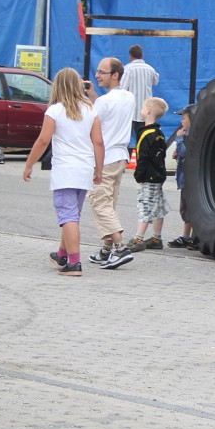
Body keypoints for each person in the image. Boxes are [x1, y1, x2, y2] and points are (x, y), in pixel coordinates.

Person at [23, 68, 104, 277]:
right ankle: (61, 254)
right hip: (84, 169)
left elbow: (43, 141)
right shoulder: (90, 110)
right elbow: (98, 142)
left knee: (67, 216)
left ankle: (74, 263)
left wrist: (29, 164)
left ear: (57, 86)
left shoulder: (55, 111)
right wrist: (99, 169)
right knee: (72, 215)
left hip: (65, 170)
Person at [83, 57, 135, 270]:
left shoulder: (105, 102)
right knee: (109, 203)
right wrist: (93, 94)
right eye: (98, 71)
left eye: (102, 72)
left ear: (115, 75)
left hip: (103, 157)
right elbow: (105, 110)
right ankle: (107, 249)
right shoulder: (129, 97)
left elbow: (91, 119)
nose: (97, 75)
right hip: (120, 156)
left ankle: (120, 246)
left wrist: (85, 98)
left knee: (100, 202)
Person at [126, 97, 171, 252]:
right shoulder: (159, 133)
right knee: (158, 205)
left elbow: (143, 157)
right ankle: (156, 237)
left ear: (149, 110)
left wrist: (139, 175)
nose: (141, 110)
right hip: (158, 175)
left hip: (148, 176)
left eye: (143, 107)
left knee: (145, 205)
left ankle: (138, 238)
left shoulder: (146, 134)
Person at [167, 106, 199, 250]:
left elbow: (187, 153)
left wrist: (179, 139)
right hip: (185, 180)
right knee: (185, 209)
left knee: (193, 209)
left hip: (192, 181)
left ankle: (196, 237)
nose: (182, 121)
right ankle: (186, 237)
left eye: (184, 118)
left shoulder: (194, 137)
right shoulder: (186, 136)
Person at [119, 44, 159, 148]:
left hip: (131, 112)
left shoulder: (128, 69)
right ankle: (142, 160)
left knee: (124, 139)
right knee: (144, 140)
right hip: (146, 112)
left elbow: (122, 87)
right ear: (142, 55)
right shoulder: (150, 69)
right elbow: (156, 81)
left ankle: (125, 160)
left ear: (130, 56)